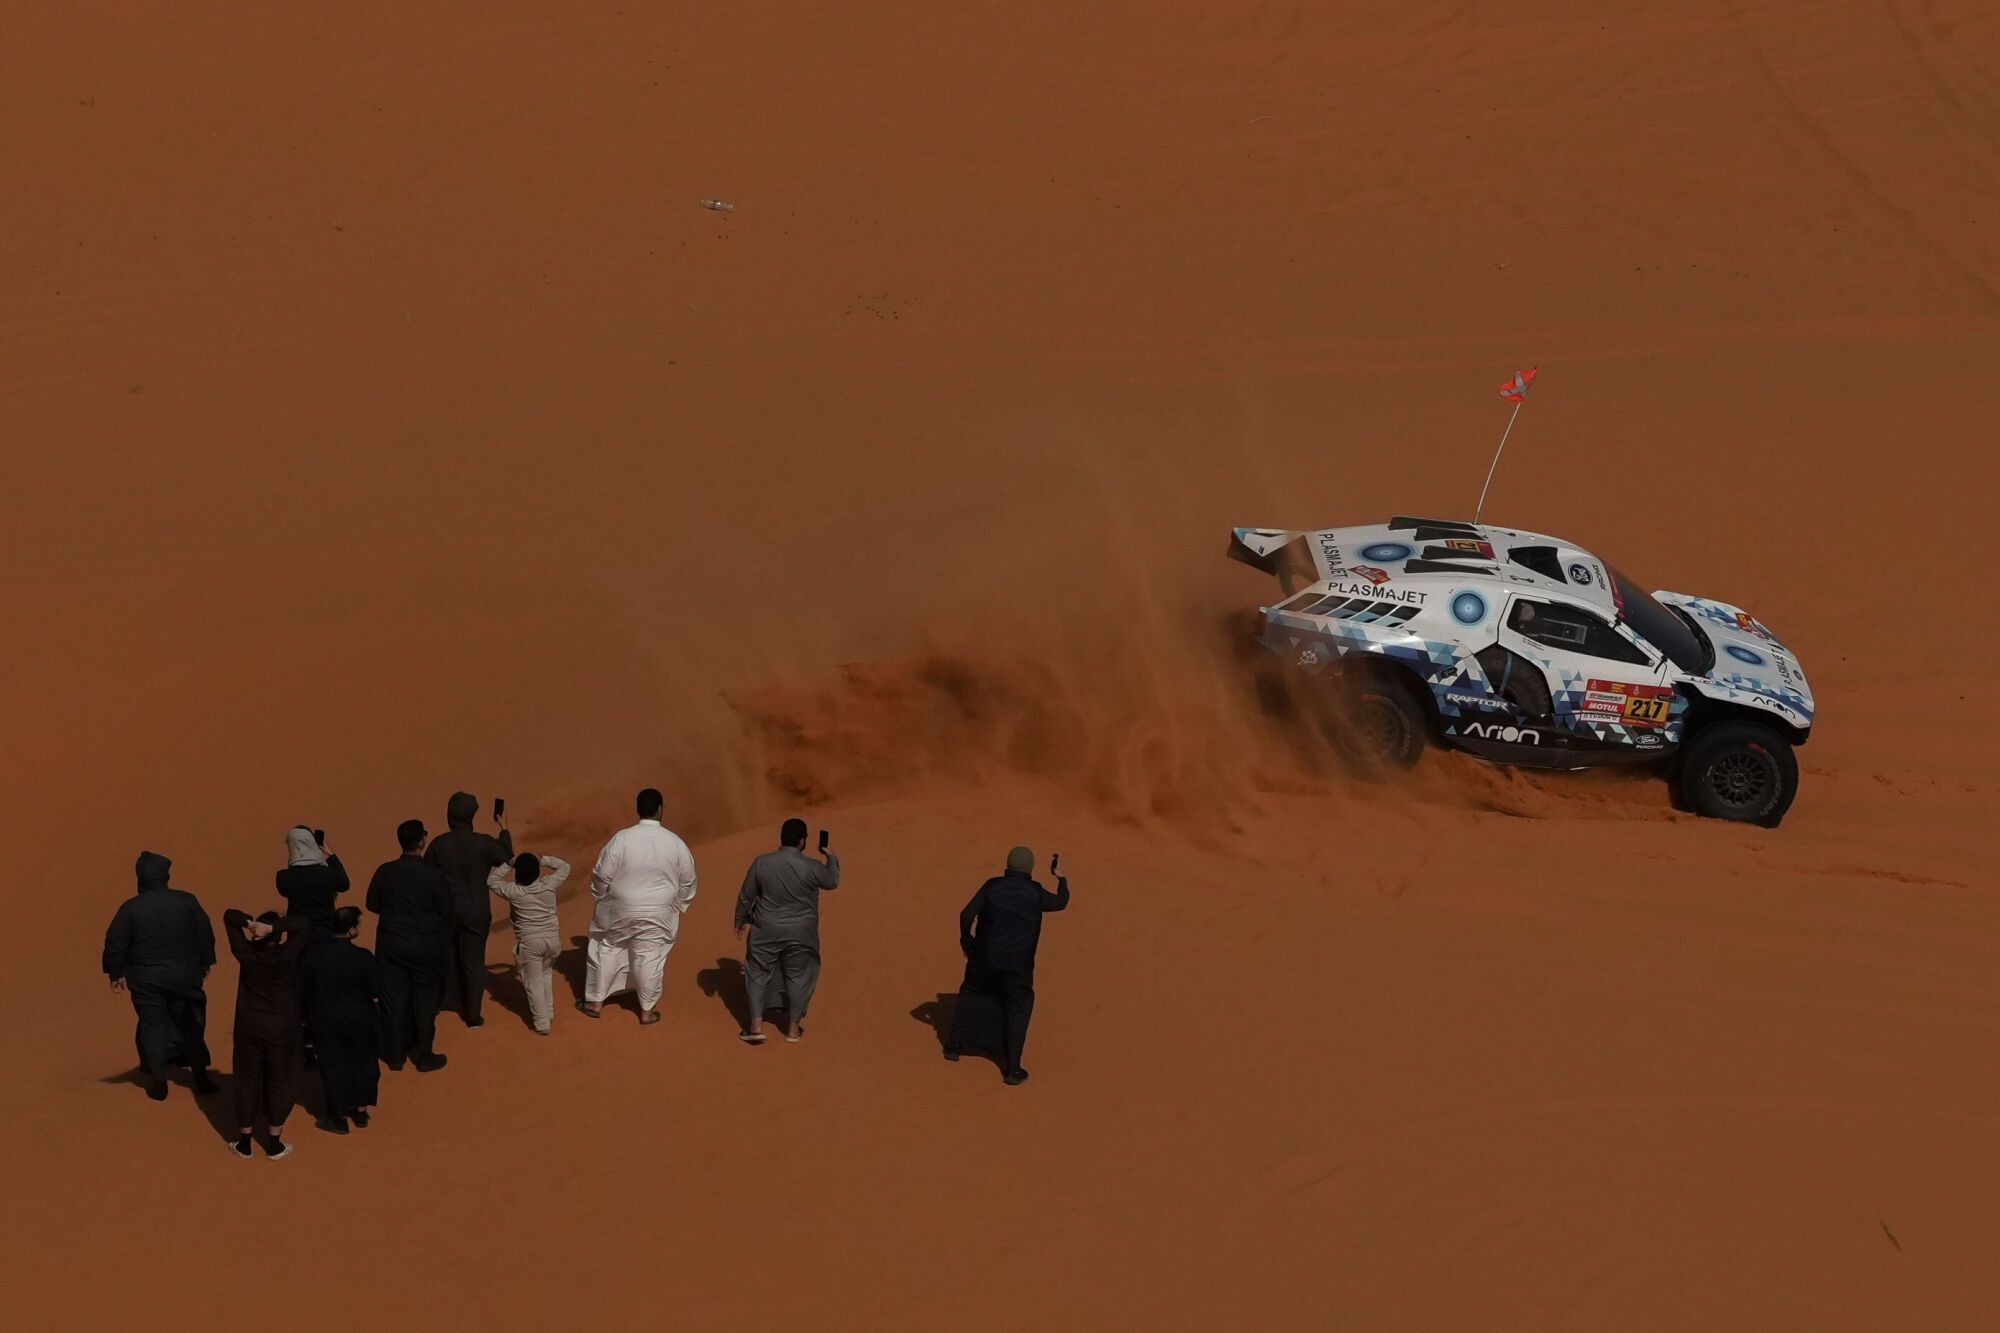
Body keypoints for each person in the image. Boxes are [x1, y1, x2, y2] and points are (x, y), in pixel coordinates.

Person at [945, 847, 1070, 1086]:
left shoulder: (992, 886)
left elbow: (966, 914)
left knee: (970, 994)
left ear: (1008, 865)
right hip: (1018, 967)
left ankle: (953, 1046)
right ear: (1030, 869)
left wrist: (966, 941)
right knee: (1018, 1008)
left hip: (983, 959)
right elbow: (1061, 902)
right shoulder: (1036, 893)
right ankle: (1012, 1069)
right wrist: (1061, 878)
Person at [102, 851, 218, 1101]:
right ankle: (201, 1077)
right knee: (191, 1024)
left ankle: (159, 1082)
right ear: (166, 876)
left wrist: (115, 972)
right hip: (185, 975)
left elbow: (115, 943)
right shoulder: (187, 901)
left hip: (146, 980)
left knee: (152, 1027)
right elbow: (204, 932)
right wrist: (206, 962)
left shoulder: (130, 908)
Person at [581, 789, 696, 1025]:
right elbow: (688, 880)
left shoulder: (621, 839)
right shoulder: (675, 842)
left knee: (609, 947)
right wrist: (679, 903)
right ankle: (646, 1011)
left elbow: (602, 874)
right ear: (661, 809)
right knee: (650, 955)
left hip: (621, 907)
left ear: (637, 809)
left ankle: (595, 1002)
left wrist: (602, 896)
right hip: (660, 909)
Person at [732, 819, 840, 1045]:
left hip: (765, 930)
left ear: (782, 838)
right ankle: (792, 1029)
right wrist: (831, 857)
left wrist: (740, 920)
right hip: (802, 933)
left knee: (757, 972)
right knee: (799, 975)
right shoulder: (812, 866)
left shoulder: (762, 863)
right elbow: (832, 881)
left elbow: (746, 895)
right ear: (802, 841)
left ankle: (756, 1027)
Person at [221, 908, 309, 1159]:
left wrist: (249, 923)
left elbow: (229, 916)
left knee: (246, 1080)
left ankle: (245, 1143)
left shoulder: (246, 953)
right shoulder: (287, 955)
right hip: (280, 1029)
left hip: (249, 1027)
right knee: (279, 1081)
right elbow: (303, 924)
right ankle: (274, 1143)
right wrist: (272, 928)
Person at [366, 819, 451, 1072]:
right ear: (422, 842)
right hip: (424, 946)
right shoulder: (434, 874)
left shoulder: (385, 871)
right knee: (424, 1001)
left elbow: (372, 904)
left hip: (391, 944)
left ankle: (395, 1056)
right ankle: (424, 1056)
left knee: (393, 1000)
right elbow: (447, 910)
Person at [425, 792, 513, 1027]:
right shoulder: (484, 842)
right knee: (474, 961)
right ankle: (473, 1014)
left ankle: (445, 1001)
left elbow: (426, 875)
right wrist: (504, 829)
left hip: (446, 911)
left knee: (447, 956)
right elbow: (507, 858)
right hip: (476, 909)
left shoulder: (438, 844)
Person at [302, 906, 381, 1134]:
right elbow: (376, 990)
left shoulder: (313, 956)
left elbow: (305, 990)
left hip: (325, 1018)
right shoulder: (364, 957)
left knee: (333, 1066)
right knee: (363, 1062)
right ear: (350, 931)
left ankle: (338, 1118)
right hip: (360, 1018)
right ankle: (360, 1110)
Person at [486, 851, 571, 1035]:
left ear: (517, 874)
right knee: (546, 973)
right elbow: (565, 867)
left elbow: (491, 881)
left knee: (534, 983)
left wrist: (508, 864)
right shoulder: (548, 885)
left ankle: (542, 1024)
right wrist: (544, 859)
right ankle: (548, 1011)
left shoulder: (513, 891)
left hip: (531, 943)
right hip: (553, 941)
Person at [275, 826, 350, 934]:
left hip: (297, 935)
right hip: (325, 932)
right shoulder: (327, 873)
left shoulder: (283, 877)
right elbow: (344, 885)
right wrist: (330, 854)